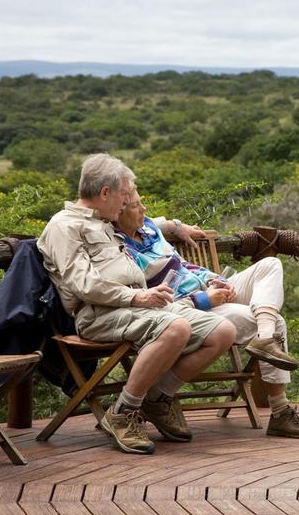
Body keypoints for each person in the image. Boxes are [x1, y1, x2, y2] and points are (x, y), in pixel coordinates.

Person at [38, 153, 237, 454]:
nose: (126, 203)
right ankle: (123, 412)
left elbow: (147, 222)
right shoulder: (64, 227)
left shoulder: (104, 220)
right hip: (99, 314)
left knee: (222, 331)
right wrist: (137, 296)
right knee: (176, 328)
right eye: (124, 195)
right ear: (105, 193)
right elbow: (84, 285)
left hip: (137, 307)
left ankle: (156, 398)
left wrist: (174, 225)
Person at [115, 189, 299, 438]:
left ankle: (264, 337)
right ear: (118, 212)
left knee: (270, 264)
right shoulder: (120, 251)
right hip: (189, 308)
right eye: (137, 206)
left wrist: (214, 278)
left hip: (210, 292)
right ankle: (279, 411)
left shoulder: (147, 227)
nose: (144, 210)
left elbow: (183, 264)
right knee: (277, 321)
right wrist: (203, 299)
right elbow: (160, 305)